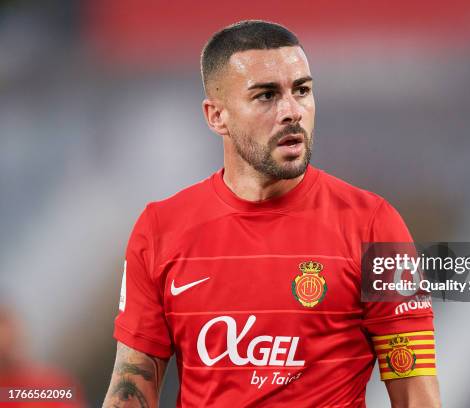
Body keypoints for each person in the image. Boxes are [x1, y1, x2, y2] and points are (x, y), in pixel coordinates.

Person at [103, 20, 440, 407]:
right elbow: (130, 388)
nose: (291, 111)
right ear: (216, 116)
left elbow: (416, 392)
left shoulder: (373, 225)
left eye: (302, 90)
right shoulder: (161, 229)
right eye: (266, 96)